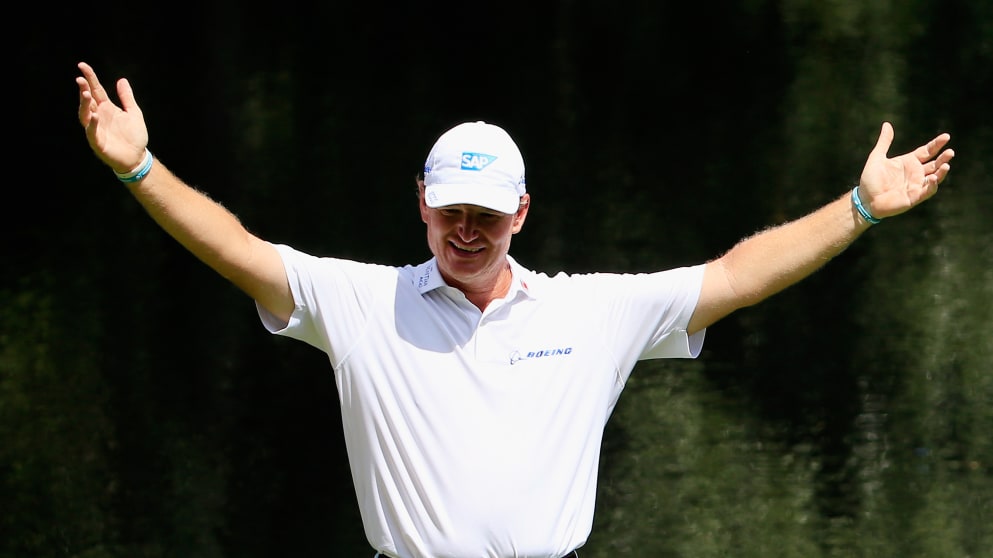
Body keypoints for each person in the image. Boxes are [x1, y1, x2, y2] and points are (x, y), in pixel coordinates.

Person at [75, 60, 954, 558]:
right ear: (420, 202)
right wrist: (137, 169)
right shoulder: (358, 301)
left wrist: (862, 207)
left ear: (520, 215)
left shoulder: (589, 314)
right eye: (451, 211)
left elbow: (735, 275)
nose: (466, 231)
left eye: (486, 215)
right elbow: (235, 249)